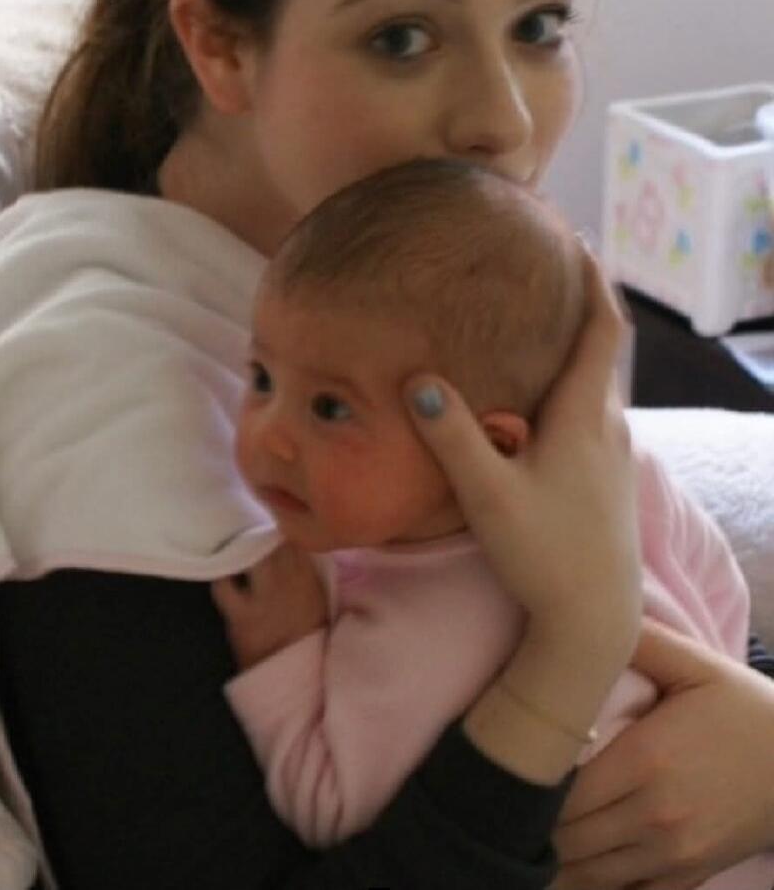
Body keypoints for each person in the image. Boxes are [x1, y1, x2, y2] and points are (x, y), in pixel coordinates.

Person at [0, 0, 774, 888]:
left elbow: (652, 596)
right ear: (218, 46)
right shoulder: (94, 402)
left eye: (539, 27)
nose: (504, 120)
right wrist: (571, 648)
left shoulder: (410, 280)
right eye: (402, 38)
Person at [212, 157, 773, 889]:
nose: (270, 437)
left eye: (331, 409)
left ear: (493, 442)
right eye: (261, 378)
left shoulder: (414, 642)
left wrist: (286, 654)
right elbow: (721, 598)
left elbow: (331, 810)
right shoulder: (622, 478)